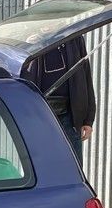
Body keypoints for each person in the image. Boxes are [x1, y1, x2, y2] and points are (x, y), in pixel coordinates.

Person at [22, 34, 96, 165]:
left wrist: (88, 119)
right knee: (40, 168)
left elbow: (85, 76)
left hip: (70, 117)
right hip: (39, 116)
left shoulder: (74, 38)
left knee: (73, 168)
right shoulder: (31, 40)